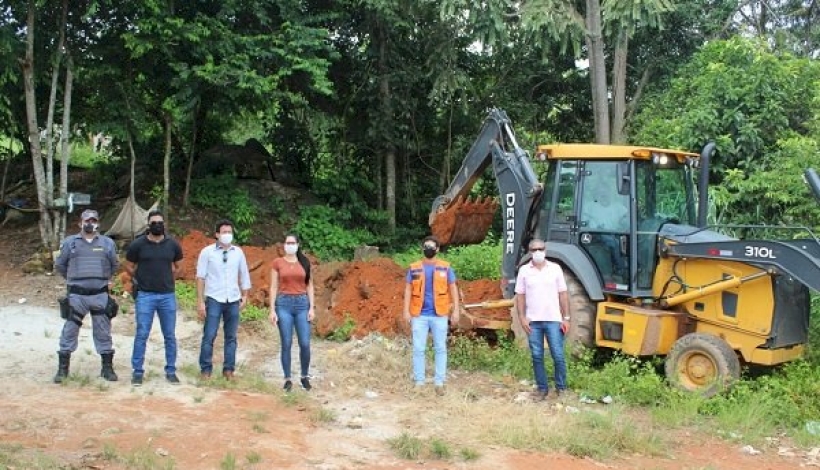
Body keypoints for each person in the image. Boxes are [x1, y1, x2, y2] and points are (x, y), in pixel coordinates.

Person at [53, 209, 120, 383]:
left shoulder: (107, 243)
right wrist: (72, 279)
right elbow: (60, 265)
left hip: (100, 294)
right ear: (80, 223)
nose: (90, 223)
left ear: (98, 223)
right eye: (87, 220)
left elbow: (114, 265)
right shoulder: (70, 243)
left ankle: (107, 369)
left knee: (103, 332)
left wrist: (102, 279)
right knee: (69, 330)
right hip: (77, 295)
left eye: (93, 220)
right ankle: (62, 370)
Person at [125, 209, 184, 386]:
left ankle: (171, 370)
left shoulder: (172, 245)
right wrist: (138, 278)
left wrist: (169, 279)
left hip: (167, 295)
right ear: (148, 225)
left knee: (170, 335)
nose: (157, 225)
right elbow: (128, 265)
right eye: (154, 222)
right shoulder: (138, 244)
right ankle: (137, 371)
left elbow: (180, 267)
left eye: (160, 222)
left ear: (164, 224)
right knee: (142, 333)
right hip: (145, 295)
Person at [402, 235, 461, 396]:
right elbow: (408, 289)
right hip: (419, 314)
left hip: (439, 314)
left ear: (437, 249)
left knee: (440, 348)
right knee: (419, 348)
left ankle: (439, 382)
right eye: (426, 246)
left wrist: (456, 310)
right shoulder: (414, 268)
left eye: (431, 246)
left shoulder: (445, 267)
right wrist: (405, 310)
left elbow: (453, 288)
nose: (428, 249)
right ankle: (419, 382)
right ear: (422, 248)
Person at [196, 219, 251, 381]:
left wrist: (245, 295)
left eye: (229, 232)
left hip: (233, 299)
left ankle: (229, 370)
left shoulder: (238, 252)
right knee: (209, 335)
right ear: (217, 234)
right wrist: (200, 301)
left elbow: (244, 274)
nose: (227, 235)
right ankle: (205, 370)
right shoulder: (207, 252)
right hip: (214, 298)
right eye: (224, 232)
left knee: (231, 336)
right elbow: (200, 277)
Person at [515, 238, 570, 401]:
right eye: (534, 250)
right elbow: (520, 295)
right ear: (530, 252)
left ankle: (561, 388)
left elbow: (563, 294)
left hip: (553, 319)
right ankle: (542, 389)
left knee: (558, 355)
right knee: (537, 356)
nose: (538, 252)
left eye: (540, 249)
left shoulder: (555, 269)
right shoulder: (524, 271)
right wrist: (522, 317)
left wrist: (566, 318)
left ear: (545, 250)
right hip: (534, 322)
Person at [269, 233, 315, 392]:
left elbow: (309, 285)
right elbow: (273, 286)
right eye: (287, 243)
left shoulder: (304, 262)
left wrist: (312, 307)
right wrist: (272, 310)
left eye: (292, 242)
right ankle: (287, 378)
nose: (289, 245)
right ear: (284, 245)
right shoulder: (277, 263)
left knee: (305, 343)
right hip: (284, 304)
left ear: (297, 244)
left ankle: (304, 376)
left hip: (302, 304)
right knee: (286, 342)